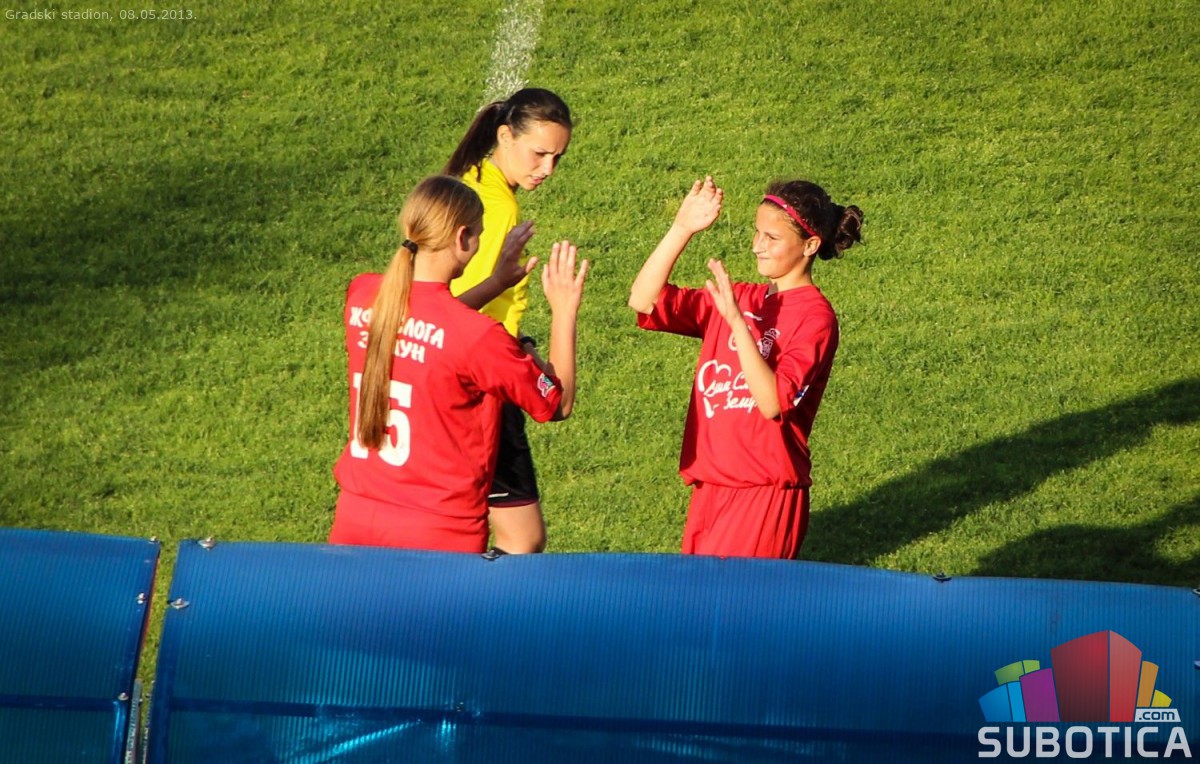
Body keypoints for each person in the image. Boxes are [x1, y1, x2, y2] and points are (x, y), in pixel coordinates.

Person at [331, 175, 587, 554]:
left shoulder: (363, 295)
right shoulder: (480, 338)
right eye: (479, 234)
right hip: (437, 534)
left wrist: (494, 284)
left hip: (355, 519)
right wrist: (564, 311)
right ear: (463, 237)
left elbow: (429, 328)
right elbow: (557, 404)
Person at [628, 176, 863, 559]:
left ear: (810, 245)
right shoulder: (738, 297)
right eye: (757, 232)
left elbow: (773, 402)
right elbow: (643, 300)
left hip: (764, 494)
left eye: (771, 238)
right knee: (699, 598)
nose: (757, 245)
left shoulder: (815, 318)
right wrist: (682, 228)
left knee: (737, 599)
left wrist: (738, 323)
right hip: (710, 485)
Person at [441, 87, 573, 553]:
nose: (548, 169)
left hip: (464, 369)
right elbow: (454, 309)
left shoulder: (468, 179)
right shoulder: (497, 210)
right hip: (481, 382)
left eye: (558, 158)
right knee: (522, 540)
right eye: (539, 154)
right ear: (505, 136)